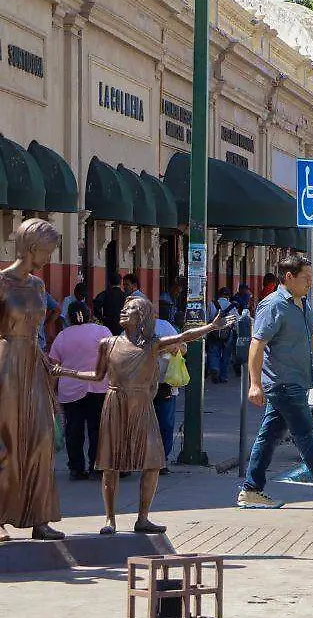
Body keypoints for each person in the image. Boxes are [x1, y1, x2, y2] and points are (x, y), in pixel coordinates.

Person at [53, 296, 234, 534]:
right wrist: (65, 372)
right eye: (124, 308)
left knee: (152, 462)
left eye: (131, 309)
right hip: (115, 403)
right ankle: (110, 519)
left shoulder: (152, 344)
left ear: (142, 318)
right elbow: (97, 376)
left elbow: (182, 337)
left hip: (142, 405)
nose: (124, 311)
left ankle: (143, 518)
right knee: (110, 465)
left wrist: (211, 327)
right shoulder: (108, 343)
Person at [238, 254, 313, 510]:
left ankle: (251, 490)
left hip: (296, 381)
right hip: (283, 383)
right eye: (306, 278)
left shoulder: (301, 304)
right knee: (306, 435)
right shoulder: (273, 305)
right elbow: (257, 344)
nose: (311, 283)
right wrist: (255, 383)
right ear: (289, 277)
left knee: (269, 436)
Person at [0, 218, 65, 542]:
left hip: (34, 361)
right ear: (31, 247)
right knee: (7, 443)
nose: (51, 257)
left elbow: (43, 324)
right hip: (6, 364)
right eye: (48, 250)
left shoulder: (38, 286)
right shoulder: (2, 283)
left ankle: (38, 516)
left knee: (41, 440)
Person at [49, 303, 110, 481]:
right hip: (98, 387)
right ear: (89, 314)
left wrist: (52, 393)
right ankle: (96, 465)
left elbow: (54, 367)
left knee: (73, 430)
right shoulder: (103, 331)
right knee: (97, 429)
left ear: (68, 318)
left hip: (69, 391)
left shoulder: (61, 336)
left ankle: (76, 468)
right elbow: (112, 357)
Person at [153, 316, 184, 471]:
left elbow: (183, 347)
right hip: (140, 385)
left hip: (164, 383)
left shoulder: (164, 325)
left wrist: (173, 348)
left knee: (165, 423)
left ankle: (162, 460)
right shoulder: (129, 330)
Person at [206, 287, 235, 383]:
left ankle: (215, 368)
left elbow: (208, 317)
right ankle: (224, 376)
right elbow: (236, 320)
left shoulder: (211, 304)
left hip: (214, 331)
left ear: (218, 295)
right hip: (227, 333)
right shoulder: (231, 305)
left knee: (213, 351)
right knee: (226, 355)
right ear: (228, 296)